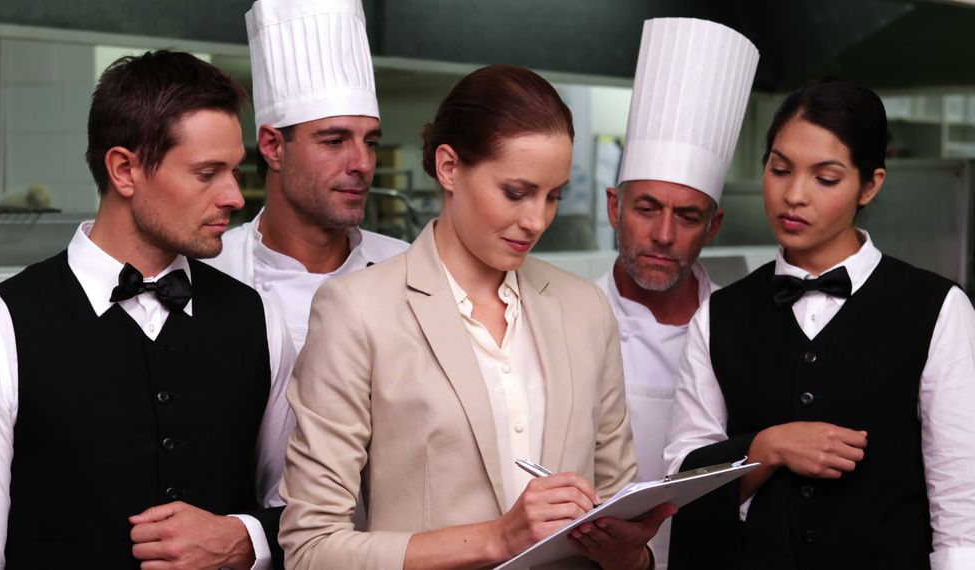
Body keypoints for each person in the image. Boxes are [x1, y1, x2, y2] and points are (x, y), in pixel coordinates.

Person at [278, 64, 673, 570]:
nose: (536, 221)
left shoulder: (585, 309)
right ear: (449, 167)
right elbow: (310, 549)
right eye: (516, 192)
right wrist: (498, 538)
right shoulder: (358, 310)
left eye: (553, 196)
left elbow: (621, 513)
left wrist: (629, 554)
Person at [0, 51, 295, 570]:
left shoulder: (257, 321)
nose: (235, 195)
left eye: (234, 171)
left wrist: (246, 538)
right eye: (207, 173)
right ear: (124, 170)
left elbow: (301, 512)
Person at [664, 79, 975, 569]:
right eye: (779, 169)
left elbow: (959, 495)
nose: (794, 195)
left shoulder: (939, 308)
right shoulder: (720, 314)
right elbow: (683, 478)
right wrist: (765, 448)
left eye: (825, 178)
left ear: (870, 185)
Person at [596, 19, 757, 569]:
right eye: (646, 209)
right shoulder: (563, 320)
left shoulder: (746, 332)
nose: (664, 235)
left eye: (687, 216)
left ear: (712, 227)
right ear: (614, 207)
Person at [207, 0, 408, 353]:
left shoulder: (411, 270)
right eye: (334, 141)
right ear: (273, 147)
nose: (363, 163)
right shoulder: (210, 273)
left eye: (371, 142)